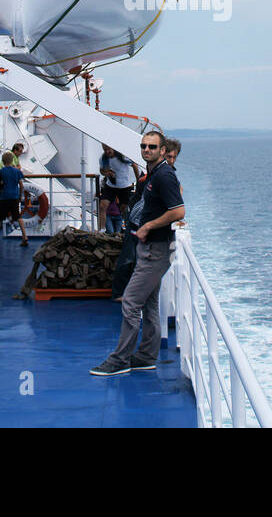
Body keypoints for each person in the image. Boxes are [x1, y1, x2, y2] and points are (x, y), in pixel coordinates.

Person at [91, 130, 184, 376]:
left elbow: (178, 211)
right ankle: (145, 357)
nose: (147, 151)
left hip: (156, 249)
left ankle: (120, 360)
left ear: (162, 150)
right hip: (149, 248)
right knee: (149, 303)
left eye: (152, 147)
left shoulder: (164, 176)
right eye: (143, 146)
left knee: (131, 302)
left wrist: (147, 226)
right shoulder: (153, 174)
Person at [98, 145, 139, 232]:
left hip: (124, 186)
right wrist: (106, 173)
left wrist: (138, 181)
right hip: (111, 185)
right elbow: (101, 170)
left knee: (124, 209)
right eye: (105, 150)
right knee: (102, 206)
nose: (107, 152)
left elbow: (134, 165)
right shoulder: (103, 158)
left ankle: (128, 228)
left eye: (109, 149)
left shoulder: (122, 156)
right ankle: (102, 229)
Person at [0, 151, 28, 246]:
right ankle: (24, 236)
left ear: (3, 161)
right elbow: (21, 185)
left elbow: (0, 184)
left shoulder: (1, 172)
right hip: (14, 197)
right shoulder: (17, 171)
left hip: (4, 197)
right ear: (12, 160)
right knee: (18, 217)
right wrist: (20, 196)